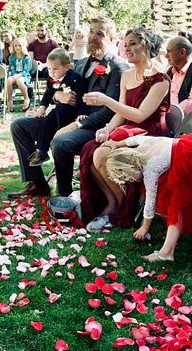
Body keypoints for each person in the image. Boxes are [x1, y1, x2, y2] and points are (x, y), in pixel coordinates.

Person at [9, 16, 127, 199]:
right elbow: (58, 86)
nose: (93, 37)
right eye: (91, 32)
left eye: (100, 34)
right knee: (19, 126)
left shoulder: (118, 67)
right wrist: (58, 96)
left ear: (111, 39)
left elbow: (112, 110)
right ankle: (38, 184)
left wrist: (76, 125)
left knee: (61, 142)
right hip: (65, 118)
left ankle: (64, 194)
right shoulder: (80, 63)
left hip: (95, 127)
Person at [79, 27, 171, 231]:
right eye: (126, 44)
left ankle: (121, 209)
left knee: (101, 155)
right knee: (90, 150)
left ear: (146, 46)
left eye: (133, 44)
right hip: (129, 130)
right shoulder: (127, 75)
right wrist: (107, 129)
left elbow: (140, 115)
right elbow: (121, 112)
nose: (127, 48)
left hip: (151, 135)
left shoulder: (161, 79)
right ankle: (115, 203)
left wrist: (106, 100)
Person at [105, 132, 192, 262]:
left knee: (177, 204)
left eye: (128, 177)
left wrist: (144, 227)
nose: (131, 181)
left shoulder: (149, 169)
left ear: (131, 167)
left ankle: (167, 253)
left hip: (187, 161)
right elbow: (133, 139)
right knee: (172, 198)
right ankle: (168, 248)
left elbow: (150, 200)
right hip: (184, 147)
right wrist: (117, 144)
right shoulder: (142, 145)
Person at [27, 48, 85, 167]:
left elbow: (82, 96)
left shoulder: (75, 78)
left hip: (73, 111)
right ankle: (41, 151)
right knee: (47, 121)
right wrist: (42, 107)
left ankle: (61, 138)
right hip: (60, 111)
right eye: (49, 69)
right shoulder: (53, 79)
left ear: (67, 67)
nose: (51, 72)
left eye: (55, 69)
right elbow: (48, 94)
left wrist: (82, 112)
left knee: (61, 109)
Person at [5, 37, 33, 112]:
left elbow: (26, 71)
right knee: (9, 80)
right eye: (15, 45)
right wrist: (15, 75)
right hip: (14, 75)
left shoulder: (26, 57)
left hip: (24, 76)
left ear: (23, 46)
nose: (17, 47)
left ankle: (26, 98)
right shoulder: (11, 57)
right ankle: (10, 99)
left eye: (19, 45)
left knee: (19, 80)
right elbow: (12, 68)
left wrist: (17, 76)